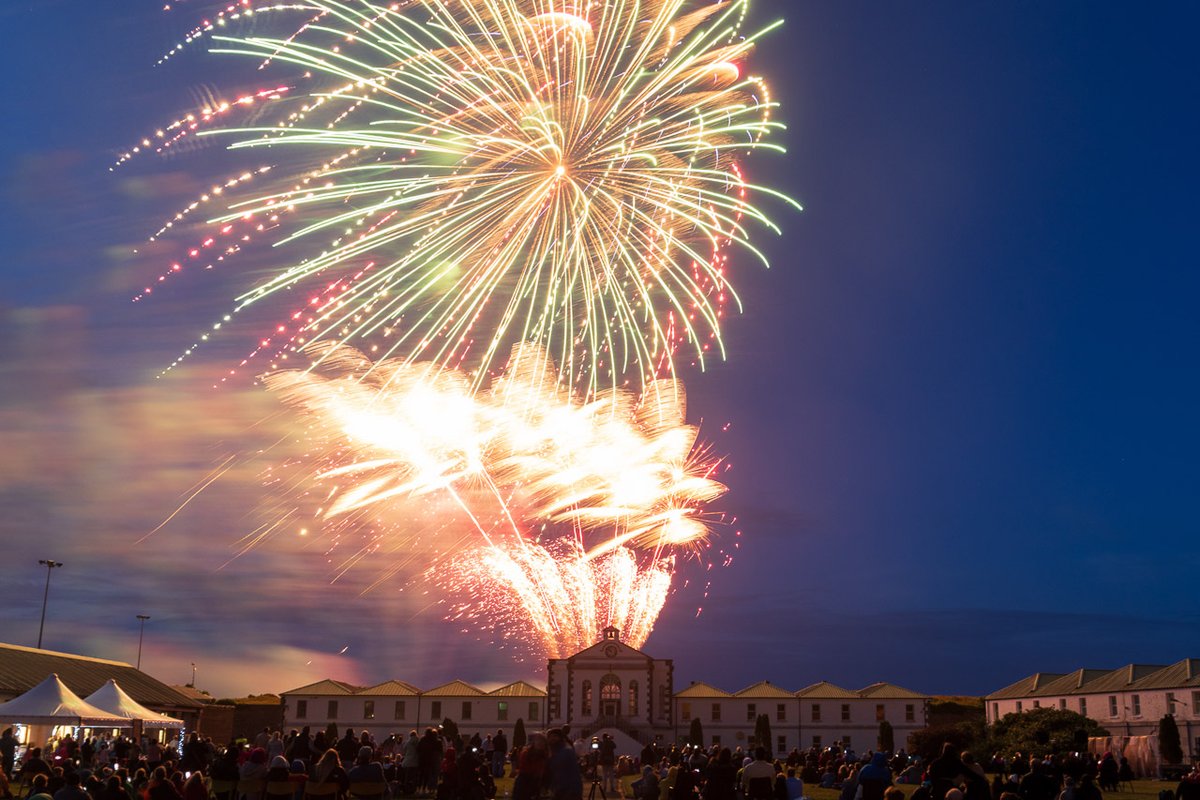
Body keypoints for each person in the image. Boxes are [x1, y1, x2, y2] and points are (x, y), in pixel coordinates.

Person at [545, 729, 582, 800]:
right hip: (558, 790)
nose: (552, 738)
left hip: (568, 791)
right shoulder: (553, 753)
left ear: (560, 738)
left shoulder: (566, 752)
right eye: (550, 737)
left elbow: (574, 773)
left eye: (555, 736)